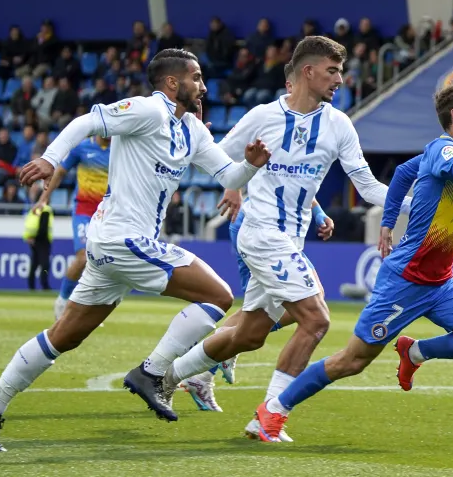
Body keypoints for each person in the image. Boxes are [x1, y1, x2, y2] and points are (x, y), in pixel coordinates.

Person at [0, 48, 272, 452]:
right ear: (172, 82)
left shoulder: (192, 130)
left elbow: (229, 176)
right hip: (123, 239)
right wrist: (51, 159)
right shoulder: (148, 110)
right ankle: (152, 373)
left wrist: (250, 164)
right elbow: (86, 121)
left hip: (115, 245)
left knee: (63, 336)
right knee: (218, 296)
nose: (203, 86)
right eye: (195, 77)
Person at [160, 36, 407, 439]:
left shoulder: (339, 125)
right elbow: (218, 157)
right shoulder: (263, 116)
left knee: (249, 335)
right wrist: (227, 175)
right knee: (316, 319)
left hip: (291, 240)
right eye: (332, 71)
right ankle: (269, 417)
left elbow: (367, 187)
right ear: (307, 72)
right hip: (261, 232)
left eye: (340, 72)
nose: (340, 80)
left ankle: (168, 376)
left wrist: (416, 203)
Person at [246, 80, 453, 442]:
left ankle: (415, 351)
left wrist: (388, 222)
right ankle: (273, 410)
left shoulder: (446, 155)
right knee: (352, 361)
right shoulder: (445, 150)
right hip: (405, 282)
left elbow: (404, 173)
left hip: (439, 283)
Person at [33, 134, 110, 320]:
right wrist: (43, 198)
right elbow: (60, 172)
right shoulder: (81, 148)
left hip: (107, 214)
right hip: (84, 210)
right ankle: (62, 300)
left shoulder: (120, 149)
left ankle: (88, 309)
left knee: (104, 263)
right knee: (83, 257)